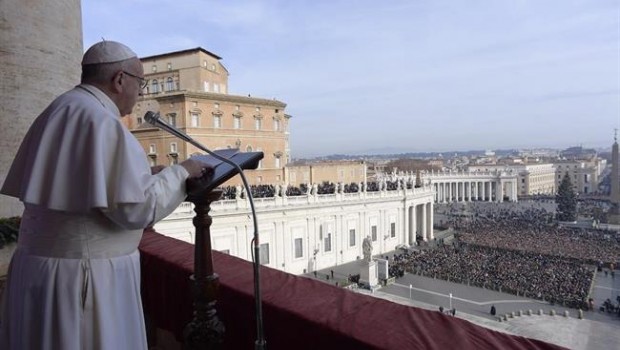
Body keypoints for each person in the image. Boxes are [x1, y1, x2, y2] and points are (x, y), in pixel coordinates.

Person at [0, 40, 207, 350]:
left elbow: (83, 181)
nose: (141, 93)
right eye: (141, 83)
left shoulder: (61, 108)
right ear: (119, 79)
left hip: (39, 269)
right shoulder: (102, 121)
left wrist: (148, 175)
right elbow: (136, 209)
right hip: (84, 277)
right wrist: (181, 172)